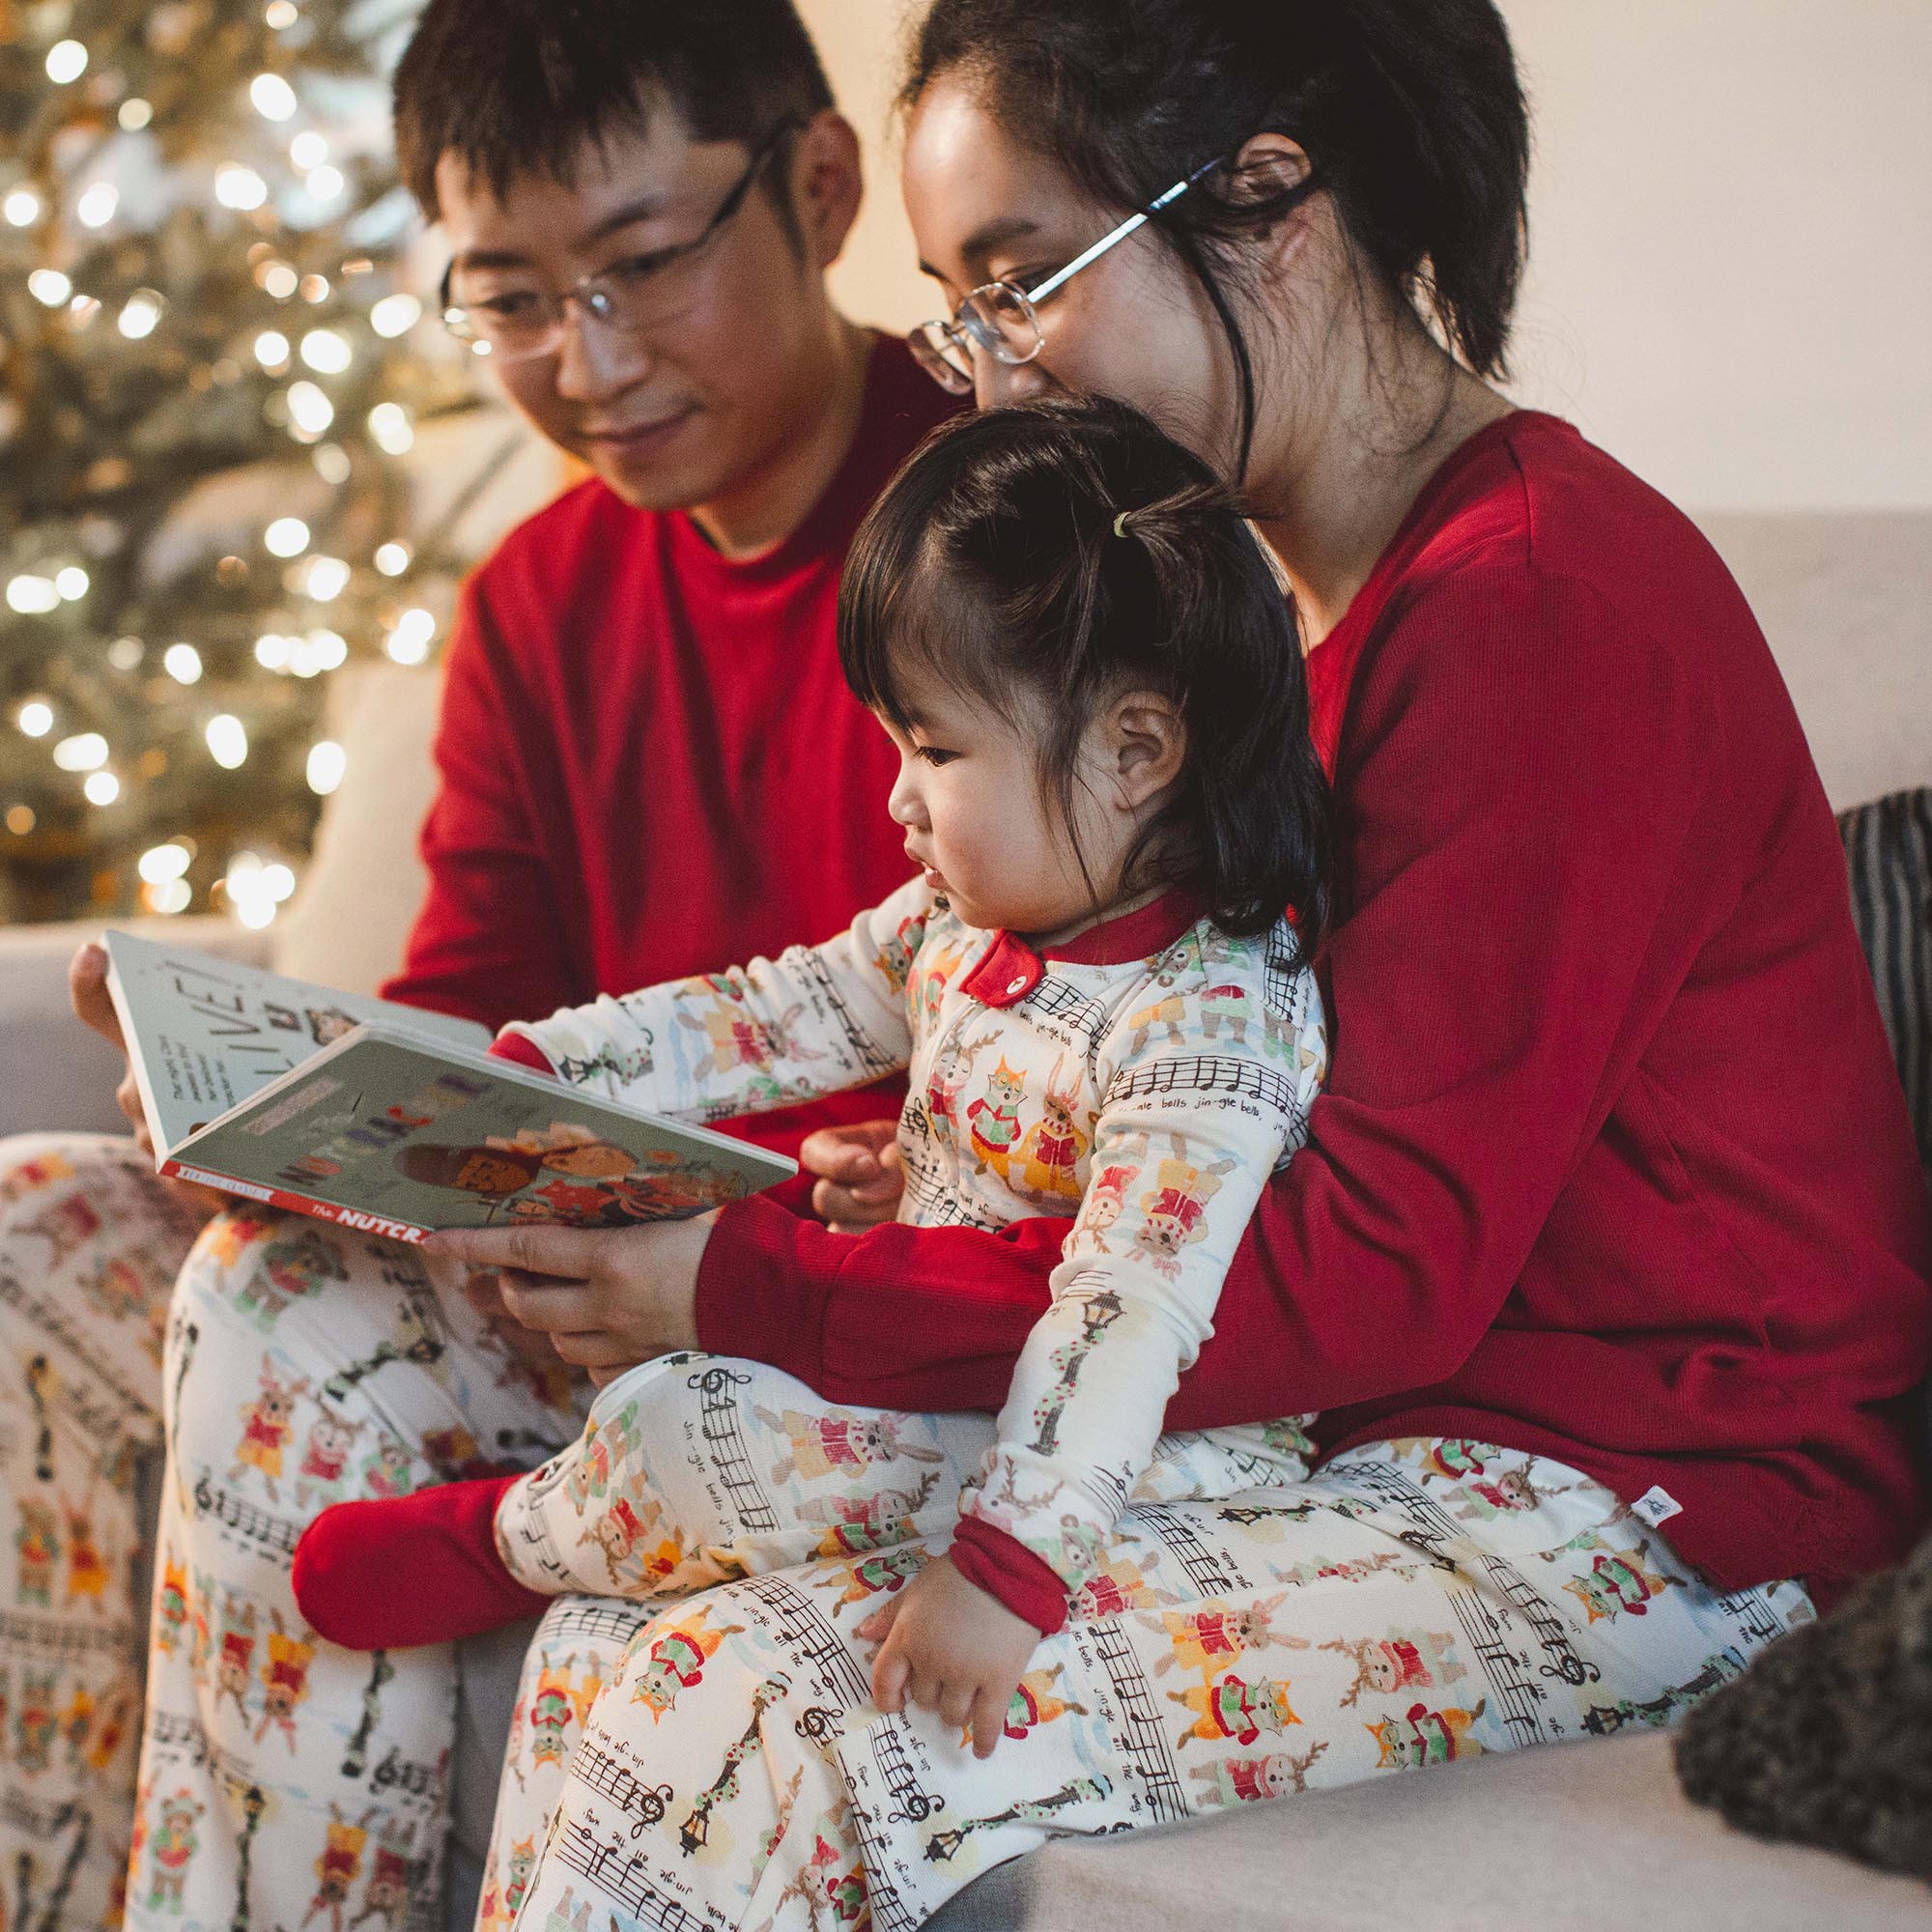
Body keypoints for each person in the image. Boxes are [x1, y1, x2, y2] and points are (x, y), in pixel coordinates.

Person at [449, 1, 1931, 1927]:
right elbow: (1248, 1110)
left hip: (1651, 1513)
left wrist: (767, 1291)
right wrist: (984, 1173)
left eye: (1020, 286)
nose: (986, 382)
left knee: (740, 1717)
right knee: (608, 1648)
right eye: (958, 314)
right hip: (1360, 1450)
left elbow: (1373, 1267)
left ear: (1268, 205)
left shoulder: (1540, 610)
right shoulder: (1246, 629)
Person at [0, 4, 959, 1927]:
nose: (583, 364)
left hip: (848, 1323)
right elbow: (469, 1009)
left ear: (822, 185)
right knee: (37, 1224)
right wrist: (268, 1095)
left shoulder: (1006, 533)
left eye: (637, 268)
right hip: (576, 1267)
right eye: (510, 298)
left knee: (289, 1324)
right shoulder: (542, 594)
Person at [288, 397, 1335, 1753]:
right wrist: (538, 1064)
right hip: (944, 1370)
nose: (898, 799)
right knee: (708, 1372)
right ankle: (555, 1513)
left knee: (707, 1418)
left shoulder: (1212, 1017)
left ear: (1136, 752)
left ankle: (510, 1538)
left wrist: (1006, 1578)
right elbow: (771, 1013)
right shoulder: (962, 924)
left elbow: (1125, 1320)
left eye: (938, 751)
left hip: (1145, 1463)